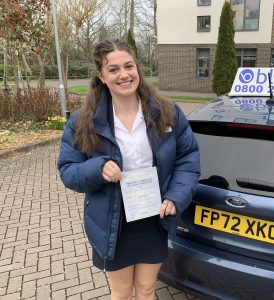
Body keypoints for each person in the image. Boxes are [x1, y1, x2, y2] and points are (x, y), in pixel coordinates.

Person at [57, 39, 200, 300]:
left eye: (129, 66)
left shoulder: (167, 112)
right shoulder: (82, 122)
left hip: (153, 216)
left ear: (137, 68)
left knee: (146, 290)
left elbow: (188, 159)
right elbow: (68, 170)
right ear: (101, 75)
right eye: (113, 69)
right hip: (113, 221)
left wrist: (175, 197)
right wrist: (97, 168)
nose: (124, 75)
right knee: (122, 292)